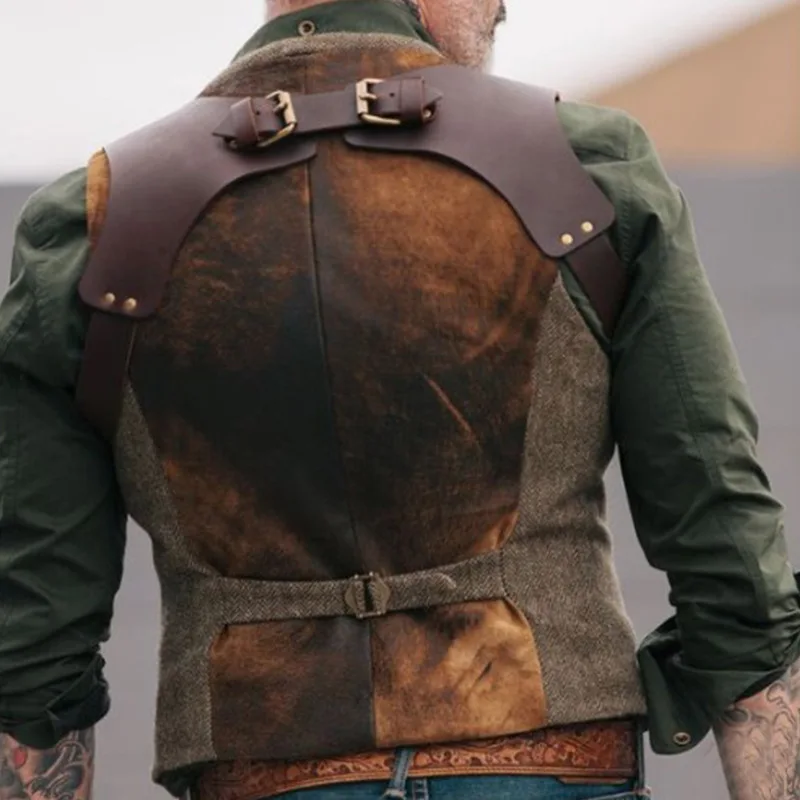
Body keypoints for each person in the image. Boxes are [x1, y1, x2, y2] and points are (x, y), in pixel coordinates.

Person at [0, 1, 798, 799]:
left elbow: (36, 639)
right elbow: (721, 531)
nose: (501, 7)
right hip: (548, 767)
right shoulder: (581, 165)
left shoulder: (96, 222)